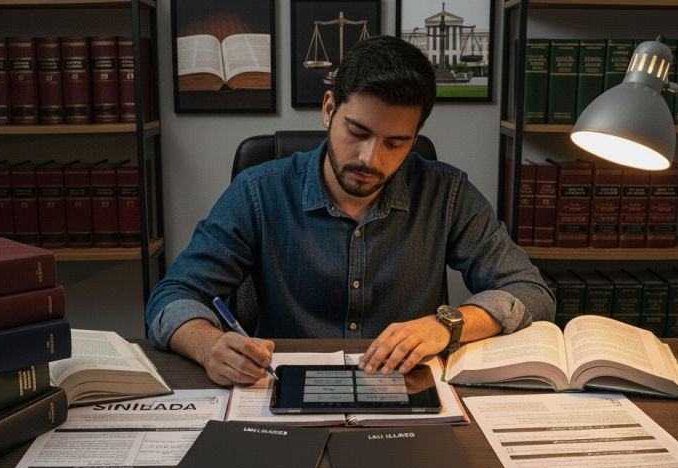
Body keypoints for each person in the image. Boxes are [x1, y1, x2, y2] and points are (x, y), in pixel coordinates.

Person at [146, 35, 555, 386]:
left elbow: (532, 293)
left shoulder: (445, 193)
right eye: (357, 132)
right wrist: (208, 345)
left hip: (406, 391)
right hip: (278, 391)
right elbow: (172, 296)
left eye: (395, 142)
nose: (370, 158)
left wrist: (445, 324)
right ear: (329, 109)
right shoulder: (258, 191)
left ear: (415, 138)